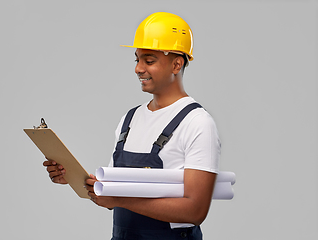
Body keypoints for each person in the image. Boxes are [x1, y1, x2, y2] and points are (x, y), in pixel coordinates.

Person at [43, 12, 221, 240]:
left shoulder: (197, 123)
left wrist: (118, 199)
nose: (138, 69)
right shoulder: (130, 119)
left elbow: (195, 211)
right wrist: (72, 177)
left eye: (149, 61)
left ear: (176, 64)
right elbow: (111, 199)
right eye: (137, 60)